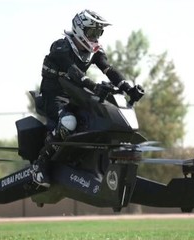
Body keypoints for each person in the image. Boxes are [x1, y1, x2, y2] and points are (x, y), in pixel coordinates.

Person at [31, 9, 143, 187]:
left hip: (75, 95)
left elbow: (109, 70)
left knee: (94, 120)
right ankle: (40, 164)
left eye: (99, 33)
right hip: (53, 96)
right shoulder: (61, 47)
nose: (95, 37)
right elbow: (74, 73)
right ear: (79, 30)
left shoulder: (95, 51)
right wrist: (94, 86)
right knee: (68, 122)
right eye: (92, 32)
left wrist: (128, 87)